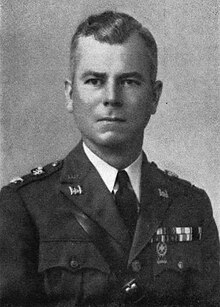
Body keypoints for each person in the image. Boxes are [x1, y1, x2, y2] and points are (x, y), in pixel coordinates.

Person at [0, 10, 219, 307]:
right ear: (69, 94)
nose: (111, 97)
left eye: (129, 82)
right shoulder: (23, 206)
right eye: (94, 80)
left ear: (154, 96)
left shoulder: (190, 206)